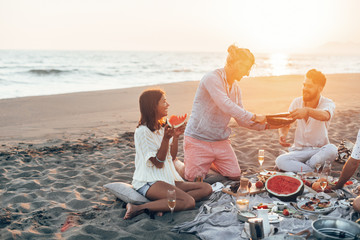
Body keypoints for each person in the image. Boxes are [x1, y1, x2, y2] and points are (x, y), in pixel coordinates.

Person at [183, 44, 272, 182]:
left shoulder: (236, 89)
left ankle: (208, 163)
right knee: (193, 179)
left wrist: (268, 125)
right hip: (198, 139)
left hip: (220, 141)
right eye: (246, 68)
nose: (247, 73)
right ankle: (179, 164)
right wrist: (255, 116)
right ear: (237, 63)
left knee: (235, 175)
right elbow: (225, 105)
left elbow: (242, 120)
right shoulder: (211, 78)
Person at [124, 89, 212, 220]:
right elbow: (158, 163)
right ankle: (137, 207)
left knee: (206, 188)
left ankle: (163, 205)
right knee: (188, 202)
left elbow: (172, 157)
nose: (168, 105)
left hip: (167, 178)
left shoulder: (161, 128)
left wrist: (175, 137)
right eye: (164, 101)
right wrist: (165, 139)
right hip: (149, 181)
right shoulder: (142, 132)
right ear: (153, 106)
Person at [275, 69, 337, 173]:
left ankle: (304, 167)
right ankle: (311, 170)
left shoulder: (328, 103)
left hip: (319, 151)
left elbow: (325, 115)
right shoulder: (297, 102)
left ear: (320, 88)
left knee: (332, 149)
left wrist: (307, 111)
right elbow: (286, 123)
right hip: (299, 151)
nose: (305, 89)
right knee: (280, 160)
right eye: (304, 85)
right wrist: (282, 134)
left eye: (309, 86)